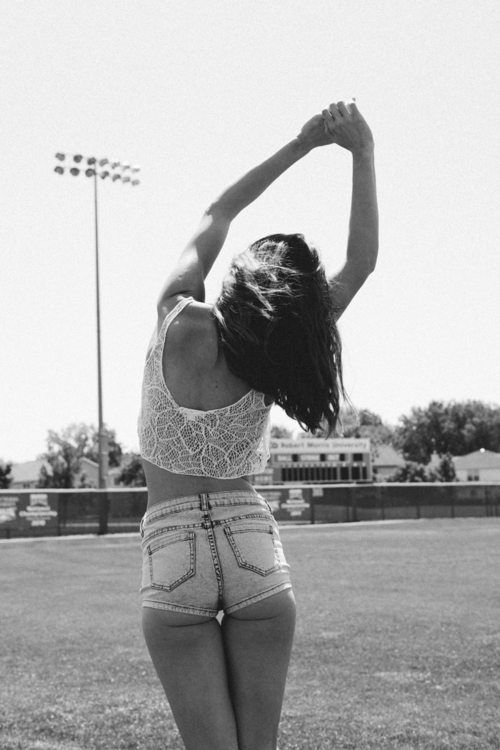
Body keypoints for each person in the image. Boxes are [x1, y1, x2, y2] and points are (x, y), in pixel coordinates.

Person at [138, 99, 378, 750]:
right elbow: (358, 268)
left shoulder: (175, 317)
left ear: (240, 277)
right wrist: (363, 153)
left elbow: (219, 211)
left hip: (174, 549)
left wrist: (299, 147)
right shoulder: (270, 357)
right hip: (252, 548)